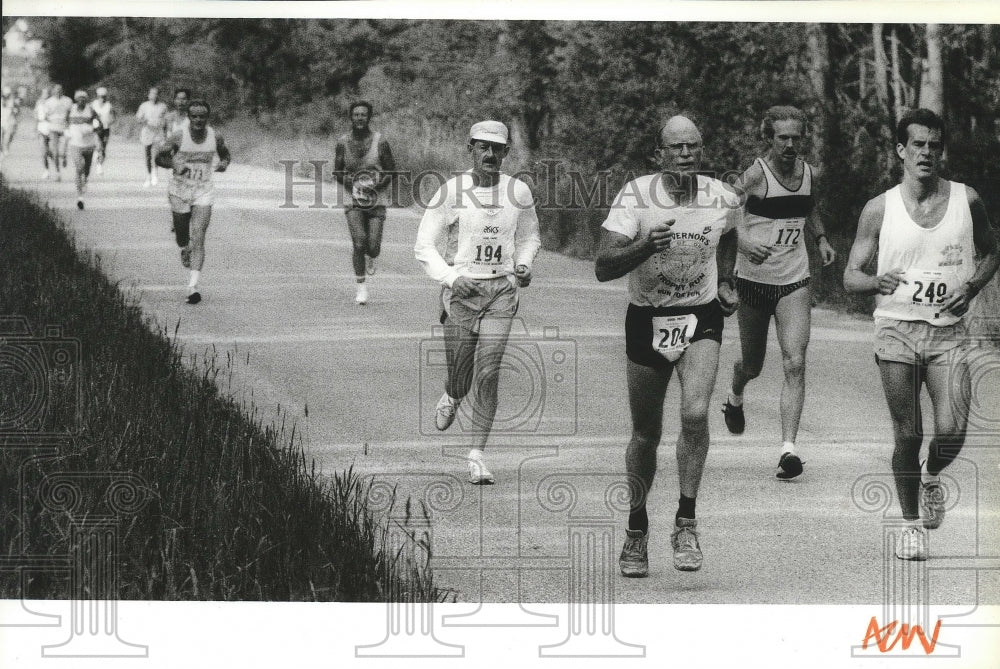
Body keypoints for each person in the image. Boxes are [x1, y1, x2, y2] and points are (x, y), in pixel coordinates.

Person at [844, 108, 999, 561]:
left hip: (948, 333)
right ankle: (911, 524)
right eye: (918, 145)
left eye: (934, 145)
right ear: (901, 151)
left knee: (951, 432)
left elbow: (992, 253)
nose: (927, 153)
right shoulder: (879, 208)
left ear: (941, 150)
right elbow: (850, 276)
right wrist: (876, 282)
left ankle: (931, 477)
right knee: (907, 434)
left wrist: (970, 287)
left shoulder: (967, 201)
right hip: (895, 330)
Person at [595, 116, 741, 577]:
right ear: (659, 155)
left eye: (693, 147)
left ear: (701, 151)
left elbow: (730, 234)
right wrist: (643, 247)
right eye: (675, 148)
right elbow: (603, 265)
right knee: (646, 434)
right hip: (647, 317)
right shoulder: (635, 197)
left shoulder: (721, 196)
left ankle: (686, 522)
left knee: (695, 413)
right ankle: (637, 530)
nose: (685, 155)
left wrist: (729, 279)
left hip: (701, 316)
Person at [414, 120, 541, 484]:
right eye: (482, 147)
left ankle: (476, 456)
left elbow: (531, 237)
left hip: (501, 290)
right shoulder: (451, 192)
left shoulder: (518, 192)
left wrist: (523, 264)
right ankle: (453, 394)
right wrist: (453, 278)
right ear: (470, 148)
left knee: (489, 370)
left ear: (505, 152)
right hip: (462, 293)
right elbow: (424, 246)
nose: (490, 154)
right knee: (462, 375)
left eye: (497, 148)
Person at [721, 106, 837, 480]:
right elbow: (723, 212)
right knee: (752, 365)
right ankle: (735, 395)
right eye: (782, 137)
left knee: (794, 362)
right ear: (769, 138)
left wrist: (819, 238)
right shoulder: (756, 174)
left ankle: (788, 449)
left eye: (796, 138)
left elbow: (809, 207)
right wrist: (743, 241)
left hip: (794, 279)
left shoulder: (808, 173)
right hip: (754, 281)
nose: (790, 145)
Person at [155, 99, 231, 304]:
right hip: (179, 190)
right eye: (194, 116)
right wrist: (173, 164)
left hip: (203, 191)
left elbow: (225, 154)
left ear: (207, 117)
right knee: (182, 238)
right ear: (189, 118)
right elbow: (159, 158)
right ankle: (184, 247)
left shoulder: (215, 136)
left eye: (202, 116)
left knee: (199, 237)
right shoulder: (179, 136)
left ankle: (193, 287)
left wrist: (223, 163)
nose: (198, 120)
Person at [333, 100, 397, 305]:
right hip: (353, 199)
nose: (359, 118)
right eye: (356, 114)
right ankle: (361, 288)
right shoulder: (342, 142)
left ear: (369, 117)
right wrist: (349, 181)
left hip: (376, 200)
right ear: (351, 117)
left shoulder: (381, 141)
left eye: (363, 114)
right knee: (359, 242)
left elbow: (391, 170)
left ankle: (371, 256)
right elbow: (337, 171)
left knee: (373, 248)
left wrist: (376, 186)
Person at [66, 90, 102, 210]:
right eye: (79, 98)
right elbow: (66, 122)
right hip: (75, 143)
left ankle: (85, 180)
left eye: (83, 98)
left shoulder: (91, 110)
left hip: (89, 144)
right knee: (78, 167)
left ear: (86, 100)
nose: (81, 100)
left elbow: (99, 124)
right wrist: (67, 132)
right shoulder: (70, 109)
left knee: (86, 169)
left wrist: (94, 127)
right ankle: (80, 196)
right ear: (76, 99)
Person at [136, 86, 168, 187]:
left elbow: (166, 121)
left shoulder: (163, 106)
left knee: (155, 156)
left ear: (159, 95)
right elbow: (138, 119)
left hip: (158, 134)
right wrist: (142, 120)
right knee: (147, 156)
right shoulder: (144, 106)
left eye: (156, 93)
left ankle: (155, 175)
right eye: (152, 93)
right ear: (148, 95)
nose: (154, 95)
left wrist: (166, 134)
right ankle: (148, 176)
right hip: (147, 133)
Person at [42, 84, 73, 181]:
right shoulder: (48, 102)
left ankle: (64, 157)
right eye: (56, 90)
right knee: (54, 151)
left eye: (60, 90)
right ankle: (57, 171)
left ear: (62, 91)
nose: (58, 92)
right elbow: (45, 115)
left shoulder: (68, 101)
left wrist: (68, 123)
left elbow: (71, 114)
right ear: (53, 91)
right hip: (53, 127)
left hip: (64, 127)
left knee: (63, 151)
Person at [89, 86, 116, 175]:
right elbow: (89, 115)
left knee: (103, 149)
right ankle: (96, 152)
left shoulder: (109, 105)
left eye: (104, 96)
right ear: (97, 96)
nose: (102, 98)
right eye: (100, 96)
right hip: (96, 129)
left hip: (105, 128)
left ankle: (99, 165)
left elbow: (113, 117)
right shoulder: (93, 104)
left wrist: (109, 121)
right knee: (99, 146)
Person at [34, 87, 52, 178]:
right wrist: (35, 128)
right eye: (44, 93)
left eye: (48, 93)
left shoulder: (52, 103)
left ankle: (55, 164)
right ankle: (46, 170)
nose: (46, 95)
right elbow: (36, 115)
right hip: (41, 128)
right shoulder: (39, 103)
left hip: (51, 128)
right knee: (43, 151)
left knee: (51, 151)